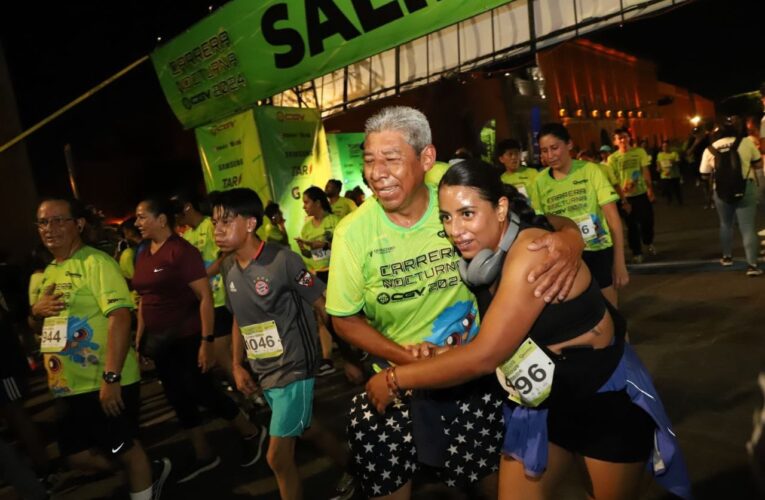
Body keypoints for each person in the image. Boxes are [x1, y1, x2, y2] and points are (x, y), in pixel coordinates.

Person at [364, 162, 691, 500]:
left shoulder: (531, 251)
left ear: (501, 207)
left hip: (603, 403)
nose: (455, 229)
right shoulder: (487, 258)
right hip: (544, 404)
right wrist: (442, 354)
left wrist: (395, 380)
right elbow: (503, 335)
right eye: (447, 217)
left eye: (467, 214)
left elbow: (486, 356)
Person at [326, 105, 585, 499]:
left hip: (478, 377)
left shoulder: (453, 192)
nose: (377, 173)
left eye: (391, 159)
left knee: (494, 485)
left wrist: (570, 240)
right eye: (370, 160)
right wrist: (405, 359)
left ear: (425, 158)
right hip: (396, 380)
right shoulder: (351, 234)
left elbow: (533, 217)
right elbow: (343, 319)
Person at [211, 188, 354, 500]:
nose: (217, 230)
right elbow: (238, 319)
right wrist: (236, 364)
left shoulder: (284, 261)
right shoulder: (228, 269)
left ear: (250, 224)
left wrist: (351, 355)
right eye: (214, 223)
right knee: (308, 430)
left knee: (277, 457)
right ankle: (358, 470)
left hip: (296, 368)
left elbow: (321, 303)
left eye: (225, 222)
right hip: (266, 373)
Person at [29, 197, 170, 500]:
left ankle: (142, 480)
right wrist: (35, 314)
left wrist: (111, 378)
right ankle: (146, 473)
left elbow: (120, 317)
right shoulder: (50, 270)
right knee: (75, 454)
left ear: (78, 224)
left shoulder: (96, 263)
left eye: (58, 220)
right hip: (67, 386)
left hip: (103, 381)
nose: (49, 228)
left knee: (126, 448)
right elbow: (43, 328)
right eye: (43, 222)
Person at [132, 198, 265, 483]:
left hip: (187, 336)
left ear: (161, 219)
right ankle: (203, 453)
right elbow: (144, 299)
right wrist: (140, 336)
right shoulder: (143, 253)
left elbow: (204, 296)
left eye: (142, 217)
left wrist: (206, 341)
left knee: (201, 390)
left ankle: (251, 431)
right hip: (160, 341)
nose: (137, 223)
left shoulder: (181, 250)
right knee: (177, 397)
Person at [530, 123, 628, 306]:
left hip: (598, 252)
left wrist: (619, 262)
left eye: (554, 148)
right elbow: (540, 225)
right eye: (544, 151)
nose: (549, 156)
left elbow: (613, 218)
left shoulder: (591, 171)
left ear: (569, 144)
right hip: (566, 256)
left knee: (612, 314)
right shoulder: (539, 181)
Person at [172, 192, 236, 391]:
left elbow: (228, 254)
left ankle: (251, 390)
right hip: (207, 302)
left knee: (221, 351)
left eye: (175, 212)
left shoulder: (211, 225)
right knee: (224, 352)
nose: (174, 217)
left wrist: (203, 276)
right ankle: (250, 388)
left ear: (187, 207)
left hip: (225, 296)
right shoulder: (186, 236)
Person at [699, 116, 763, 276]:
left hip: (721, 191)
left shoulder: (711, 148)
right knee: (747, 227)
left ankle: (727, 257)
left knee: (725, 224)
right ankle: (752, 265)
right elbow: (758, 163)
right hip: (745, 187)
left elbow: (704, 174)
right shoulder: (746, 142)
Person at [296, 187, 341, 377]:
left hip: (337, 272)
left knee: (344, 314)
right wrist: (305, 249)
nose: (304, 206)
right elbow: (309, 255)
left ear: (317, 202)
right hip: (318, 275)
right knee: (322, 316)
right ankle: (327, 359)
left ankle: (360, 348)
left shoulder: (334, 221)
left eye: (306, 202)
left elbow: (342, 245)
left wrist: (324, 245)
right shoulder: (306, 228)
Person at [608, 128, 656, 263]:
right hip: (625, 197)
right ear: (615, 142)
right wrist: (623, 200)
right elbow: (614, 181)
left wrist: (650, 189)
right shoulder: (613, 159)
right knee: (632, 225)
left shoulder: (639, 152)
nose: (623, 140)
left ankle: (648, 242)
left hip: (641, 193)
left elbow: (645, 170)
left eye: (625, 137)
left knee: (647, 221)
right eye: (619, 138)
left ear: (629, 138)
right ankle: (637, 251)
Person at [657, 140, 683, 205]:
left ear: (669, 147)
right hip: (664, 174)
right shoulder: (660, 154)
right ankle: (669, 199)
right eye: (663, 146)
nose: (664, 148)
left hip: (674, 174)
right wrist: (658, 167)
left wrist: (673, 162)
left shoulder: (674, 153)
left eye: (666, 146)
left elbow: (679, 162)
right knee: (666, 188)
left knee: (676, 189)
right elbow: (658, 162)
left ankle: (680, 201)